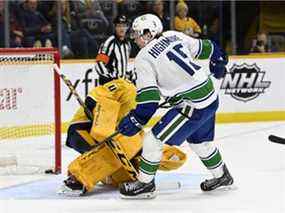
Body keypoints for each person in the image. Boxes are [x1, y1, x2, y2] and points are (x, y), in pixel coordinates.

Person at [117, 14, 233, 199]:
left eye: (138, 34)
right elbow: (208, 48)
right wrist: (219, 59)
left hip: (192, 105)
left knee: (151, 141)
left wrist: (135, 119)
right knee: (200, 143)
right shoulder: (173, 35)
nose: (135, 39)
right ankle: (222, 176)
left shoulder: (143, 58)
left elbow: (149, 101)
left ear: (148, 33)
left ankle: (145, 184)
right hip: (210, 97)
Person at [94, 14, 136, 85]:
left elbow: (121, 66)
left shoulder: (127, 44)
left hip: (122, 85)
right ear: (115, 27)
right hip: (110, 85)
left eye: (124, 26)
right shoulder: (109, 43)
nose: (122, 29)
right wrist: (109, 79)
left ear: (127, 27)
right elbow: (99, 63)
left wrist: (127, 75)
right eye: (119, 26)